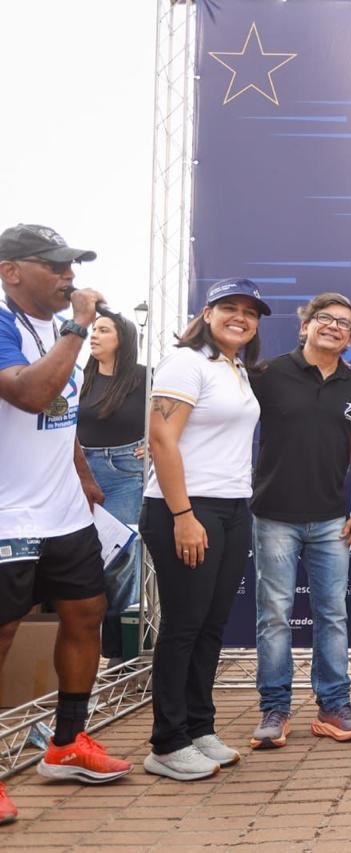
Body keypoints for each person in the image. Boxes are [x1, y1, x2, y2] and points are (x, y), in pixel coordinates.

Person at [0, 224, 131, 822]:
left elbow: (63, 410)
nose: (68, 277)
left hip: (61, 510)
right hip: (8, 514)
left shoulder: (59, 329)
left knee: (87, 612)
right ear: (11, 270)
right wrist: (79, 328)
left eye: (72, 265)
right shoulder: (12, 326)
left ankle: (67, 744)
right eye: (54, 266)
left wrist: (80, 473)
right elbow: (32, 393)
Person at [142, 278, 269, 780]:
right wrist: (183, 515)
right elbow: (160, 438)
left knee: (211, 625)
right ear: (207, 312)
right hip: (186, 509)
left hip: (233, 508)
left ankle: (198, 727)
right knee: (183, 626)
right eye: (230, 308)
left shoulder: (234, 367)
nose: (241, 317)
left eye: (250, 312)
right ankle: (167, 743)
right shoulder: (186, 362)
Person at [248, 293, 351, 749]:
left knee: (333, 615)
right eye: (325, 318)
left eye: (344, 323)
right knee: (275, 617)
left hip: (331, 521)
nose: (334, 327)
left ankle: (333, 707)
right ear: (305, 326)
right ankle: (275, 710)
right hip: (274, 517)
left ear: (350, 338)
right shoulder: (267, 374)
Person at [78, 313, 147, 666]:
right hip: (79, 472)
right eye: (93, 329)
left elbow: (175, 417)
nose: (94, 335)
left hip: (124, 473)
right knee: (85, 559)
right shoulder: (80, 377)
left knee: (119, 558)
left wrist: (152, 443)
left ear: (123, 338)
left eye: (103, 330)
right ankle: (93, 647)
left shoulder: (144, 378)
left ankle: (121, 653)